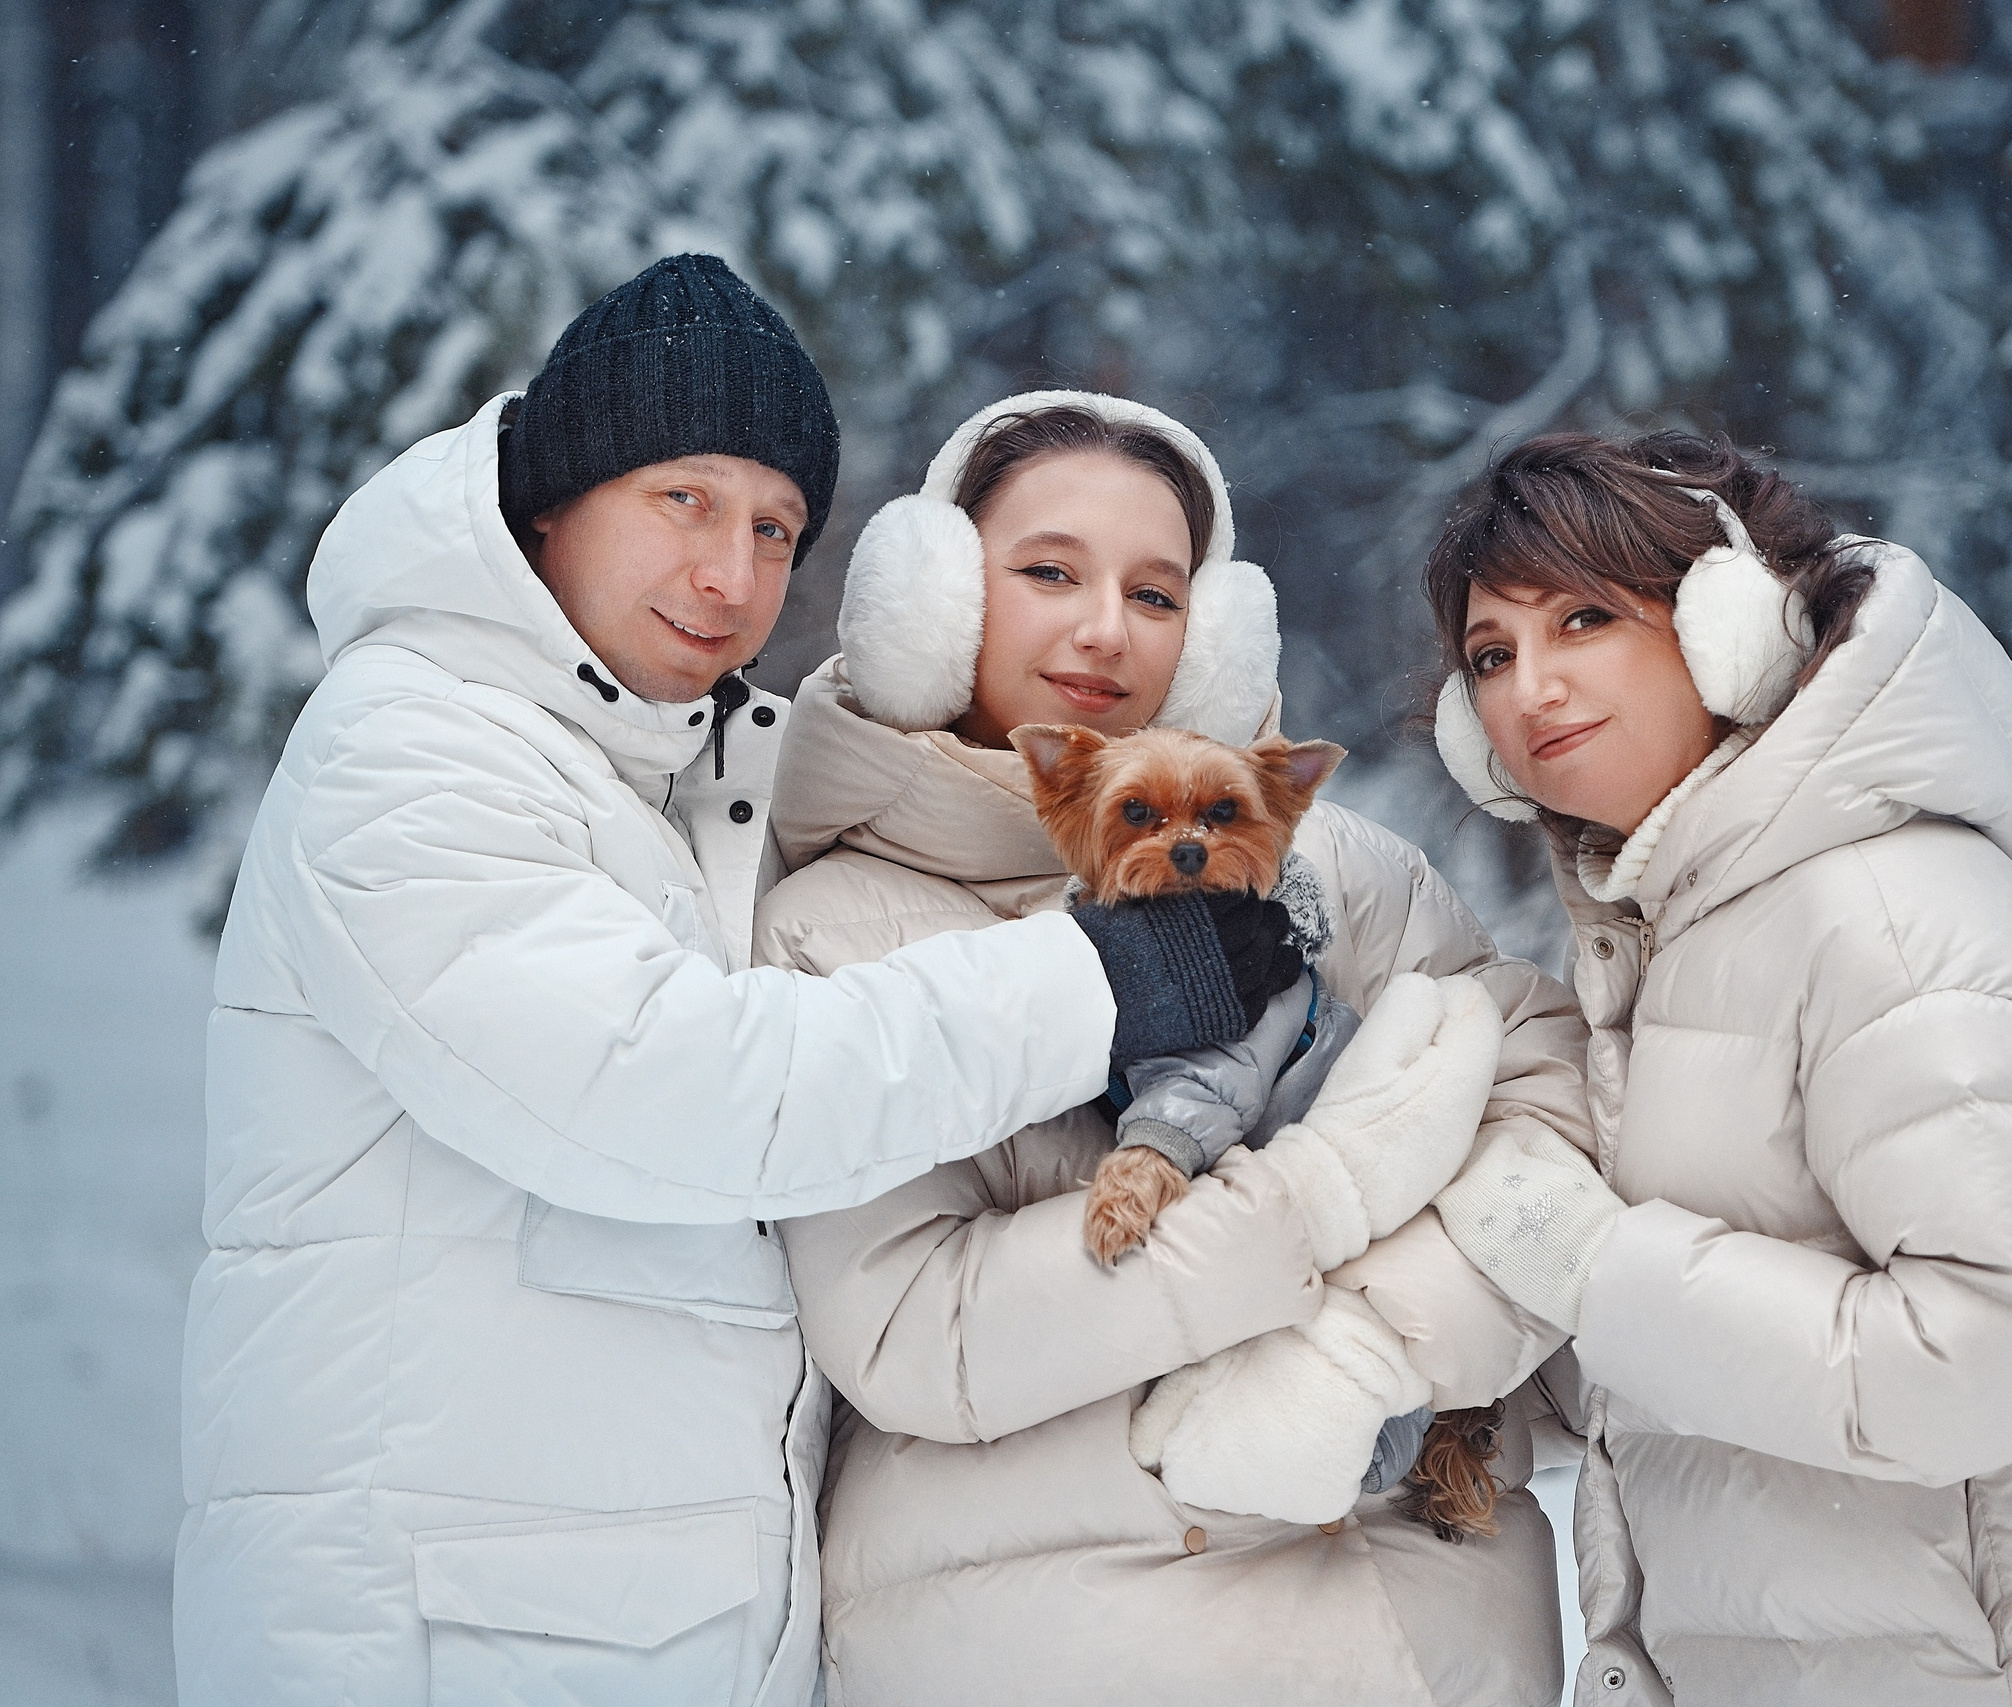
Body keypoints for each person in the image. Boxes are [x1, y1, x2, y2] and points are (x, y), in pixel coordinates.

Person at [174, 261, 1293, 1707]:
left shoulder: (680, 775)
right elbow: (666, 1087)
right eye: (684, 500)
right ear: (548, 500)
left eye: (776, 527)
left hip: (632, 1620)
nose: (733, 574)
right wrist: (1101, 984)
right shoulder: (412, 746)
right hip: (433, 1627)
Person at [755, 392, 1595, 1706]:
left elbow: (1548, 1102)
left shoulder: (1334, 870)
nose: (1105, 627)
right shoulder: (832, 936)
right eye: (1047, 572)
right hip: (1078, 1647)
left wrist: (1383, 1340)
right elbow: (923, 1328)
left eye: (1156, 593)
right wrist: (1304, 1205)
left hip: (1434, 1648)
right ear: (931, 598)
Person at [1420, 431, 2012, 1705]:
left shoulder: (1888, 920)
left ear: (1730, 628)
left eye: (1584, 619)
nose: (1532, 688)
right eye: (1492, 656)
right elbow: (1713, 1346)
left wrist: (1584, 1260)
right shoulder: (1696, 932)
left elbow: (1975, 1364)